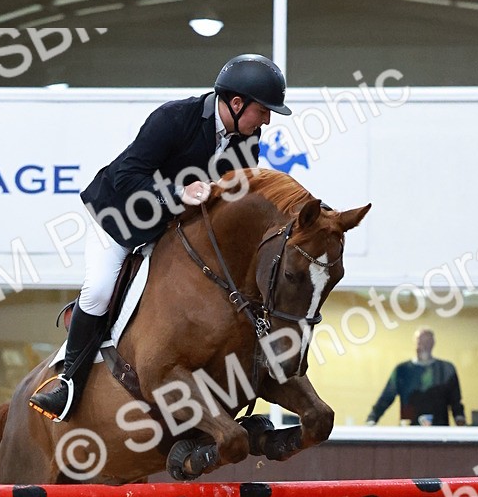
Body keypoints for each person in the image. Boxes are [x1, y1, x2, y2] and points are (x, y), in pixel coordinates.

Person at [28, 54, 292, 421]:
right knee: (101, 289)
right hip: (119, 218)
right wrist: (176, 193)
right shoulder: (174, 118)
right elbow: (128, 176)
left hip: (172, 229)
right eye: (263, 111)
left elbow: (232, 200)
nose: (266, 119)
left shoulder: (247, 140)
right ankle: (68, 381)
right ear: (237, 103)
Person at [366, 327, 466, 427]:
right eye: (420, 341)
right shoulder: (402, 370)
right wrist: (372, 419)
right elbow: (386, 397)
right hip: (409, 431)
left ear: (433, 344)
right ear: (415, 343)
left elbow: (456, 401)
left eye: (427, 341)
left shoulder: (446, 369)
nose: (423, 345)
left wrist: (461, 424)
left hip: (438, 431)